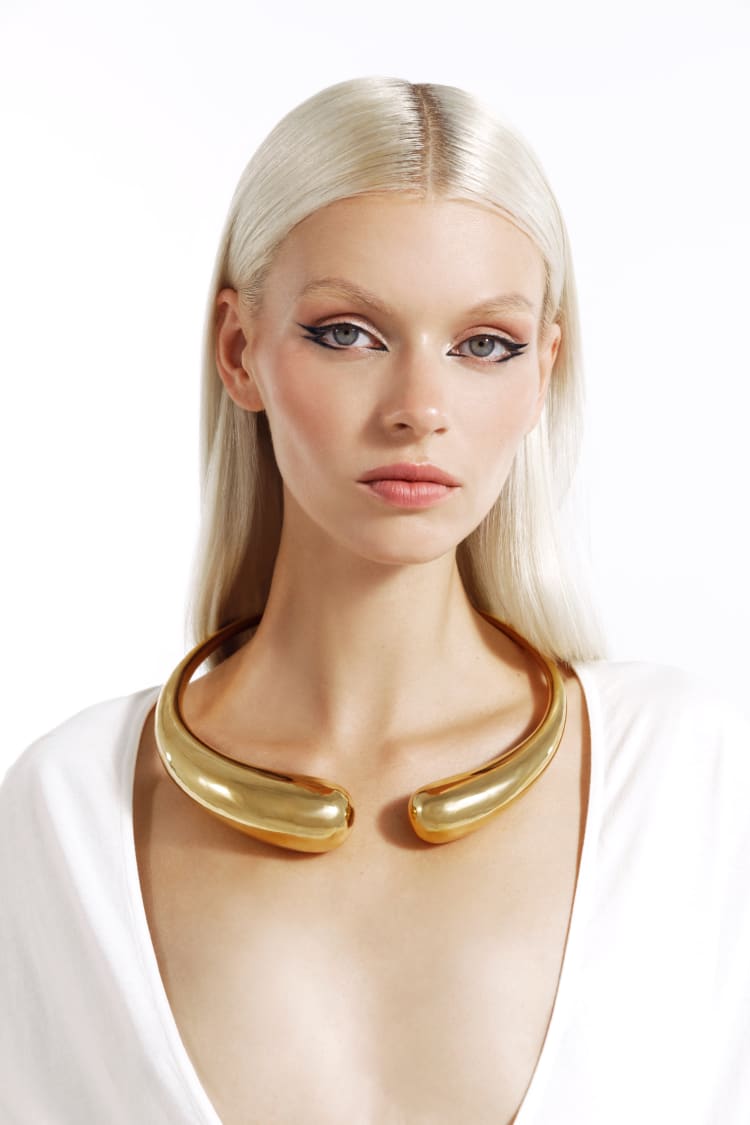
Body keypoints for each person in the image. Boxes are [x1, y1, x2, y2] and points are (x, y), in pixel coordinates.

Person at [1, 76, 748, 1125]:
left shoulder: (694, 780)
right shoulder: (70, 811)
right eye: (348, 332)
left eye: (484, 345)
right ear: (239, 351)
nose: (419, 409)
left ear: (543, 371)